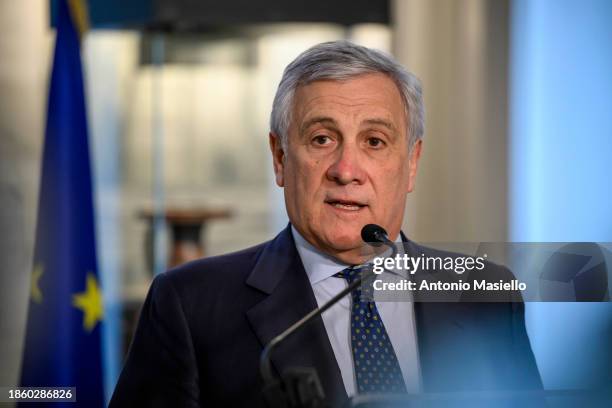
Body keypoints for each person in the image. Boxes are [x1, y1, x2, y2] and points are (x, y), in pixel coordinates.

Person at [109, 41, 542, 407]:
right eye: (322, 139)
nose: (346, 169)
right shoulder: (190, 304)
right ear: (280, 158)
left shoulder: (483, 294)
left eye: (374, 142)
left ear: (411, 164)